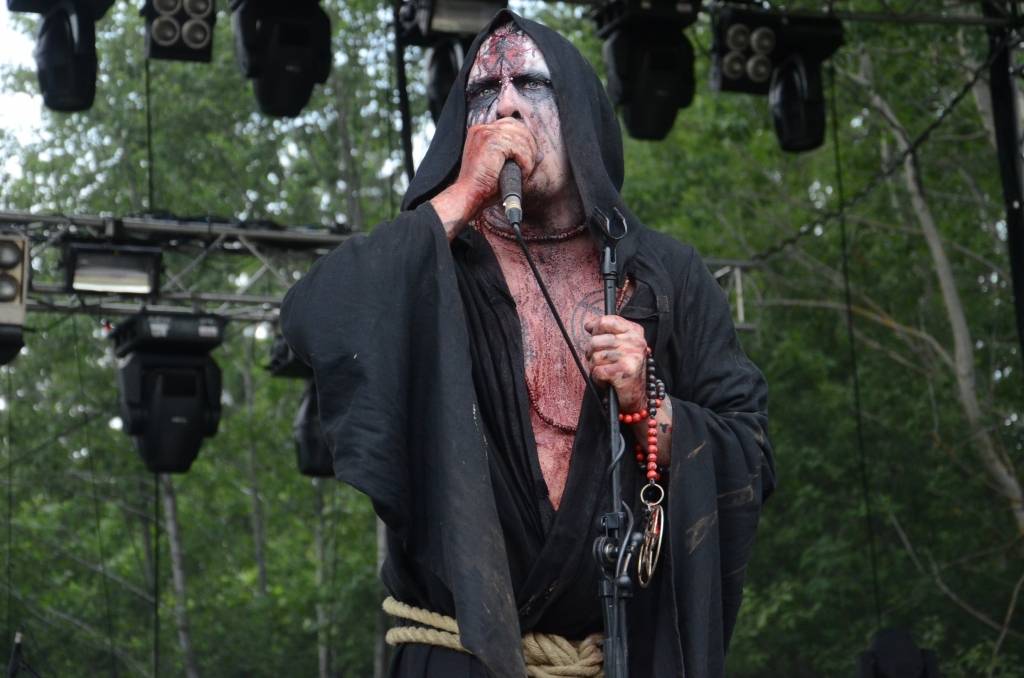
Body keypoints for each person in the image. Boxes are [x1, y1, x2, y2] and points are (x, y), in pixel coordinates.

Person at [281, 10, 775, 678]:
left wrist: (646, 404)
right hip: (455, 656)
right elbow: (313, 316)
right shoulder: (435, 266)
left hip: (610, 659)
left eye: (531, 84)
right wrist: (462, 195)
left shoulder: (667, 277)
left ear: (579, 113)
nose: (506, 105)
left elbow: (748, 452)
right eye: (484, 92)